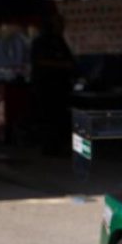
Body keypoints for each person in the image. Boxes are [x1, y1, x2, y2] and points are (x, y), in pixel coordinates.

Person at [31, 13, 76, 156]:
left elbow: (70, 60)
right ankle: (49, 147)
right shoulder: (41, 42)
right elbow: (40, 61)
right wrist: (61, 65)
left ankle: (59, 146)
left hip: (61, 86)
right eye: (59, 24)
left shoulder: (60, 41)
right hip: (45, 86)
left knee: (60, 118)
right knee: (48, 117)